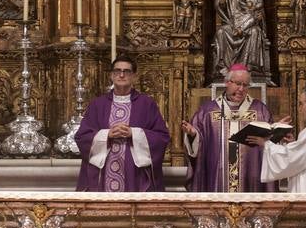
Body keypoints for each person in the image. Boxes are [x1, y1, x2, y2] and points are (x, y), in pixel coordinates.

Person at [75, 55, 170, 192]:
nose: (121, 75)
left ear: (134, 76)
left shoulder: (146, 104)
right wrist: (107, 135)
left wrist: (134, 134)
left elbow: (161, 137)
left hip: (134, 174)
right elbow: (82, 137)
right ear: (111, 75)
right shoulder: (98, 104)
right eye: (117, 71)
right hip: (104, 173)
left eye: (127, 71)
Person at [181, 62, 276, 192]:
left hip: (250, 179)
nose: (241, 89)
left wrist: (277, 134)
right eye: (238, 84)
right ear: (227, 82)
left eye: (245, 85)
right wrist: (194, 135)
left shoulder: (260, 111)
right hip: (217, 179)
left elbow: (271, 146)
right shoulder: (208, 111)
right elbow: (199, 150)